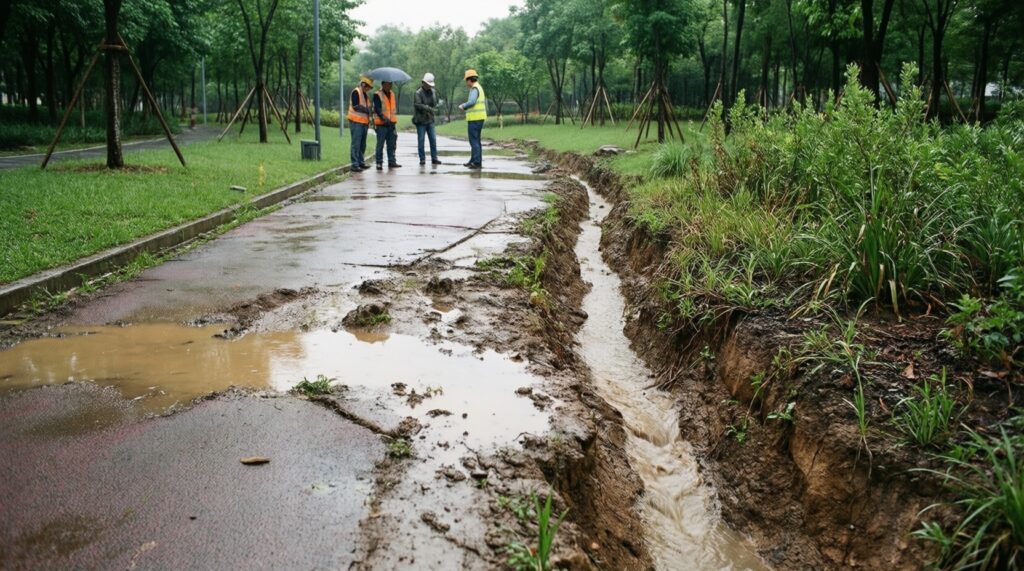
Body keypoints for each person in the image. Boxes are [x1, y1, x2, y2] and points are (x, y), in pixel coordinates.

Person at [457, 69, 486, 169]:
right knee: (476, 140)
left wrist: (463, 106)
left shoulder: (474, 88)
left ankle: (476, 162)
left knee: (474, 141)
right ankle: (474, 160)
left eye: (466, 80)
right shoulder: (478, 87)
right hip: (479, 118)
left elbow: (472, 102)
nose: (466, 83)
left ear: (470, 79)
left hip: (475, 119)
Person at [413, 73, 442, 166]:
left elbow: (434, 104)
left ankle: (434, 158)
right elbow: (418, 105)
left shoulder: (433, 92)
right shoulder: (418, 93)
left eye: (431, 84)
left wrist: (436, 105)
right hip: (421, 121)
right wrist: (428, 108)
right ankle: (422, 159)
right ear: (423, 83)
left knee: (433, 139)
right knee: (421, 140)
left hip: (430, 120)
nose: (430, 86)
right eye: (428, 84)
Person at [347, 76, 374, 171]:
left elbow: (368, 108)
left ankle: (361, 162)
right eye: (368, 87)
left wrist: (370, 112)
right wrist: (366, 110)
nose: (368, 89)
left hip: (364, 123)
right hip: (356, 122)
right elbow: (356, 106)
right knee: (356, 144)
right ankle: (354, 165)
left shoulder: (365, 95)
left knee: (362, 145)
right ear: (363, 84)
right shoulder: (356, 92)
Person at [372, 80, 401, 170]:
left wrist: (392, 121)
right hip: (381, 124)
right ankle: (379, 163)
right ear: (383, 84)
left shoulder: (392, 94)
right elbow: (377, 109)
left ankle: (391, 161)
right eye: (387, 84)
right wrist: (383, 118)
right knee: (380, 144)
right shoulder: (377, 94)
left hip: (391, 124)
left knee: (391, 144)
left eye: (390, 84)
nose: (389, 86)